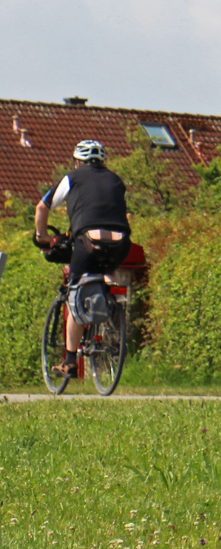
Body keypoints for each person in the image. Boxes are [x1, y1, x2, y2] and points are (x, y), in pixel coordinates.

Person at [34, 140, 133, 378]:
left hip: (88, 241)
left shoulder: (72, 177)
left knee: (74, 295)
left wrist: (42, 236)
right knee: (106, 269)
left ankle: (69, 362)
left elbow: (41, 208)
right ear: (102, 161)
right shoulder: (116, 180)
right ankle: (110, 303)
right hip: (121, 243)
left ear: (77, 162)